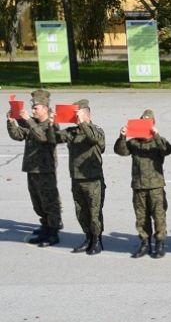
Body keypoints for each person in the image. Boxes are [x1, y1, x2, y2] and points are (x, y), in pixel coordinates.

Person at [114, 109, 171, 258]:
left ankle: (159, 244)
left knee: (159, 216)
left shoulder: (159, 141)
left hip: (155, 186)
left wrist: (156, 135)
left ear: (153, 123)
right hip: (139, 186)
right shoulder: (134, 142)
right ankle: (145, 243)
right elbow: (120, 151)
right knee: (141, 217)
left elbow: (167, 150)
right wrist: (122, 136)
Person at [6, 89, 62, 246]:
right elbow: (18, 135)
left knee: (50, 201)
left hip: (45, 170)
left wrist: (28, 121)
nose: (32, 111)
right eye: (32, 108)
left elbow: (43, 137)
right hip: (32, 168)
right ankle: (45, 226)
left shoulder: (52, 124)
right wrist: (11, 121)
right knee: (37, 201)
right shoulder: (34, 124)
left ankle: (53, 232)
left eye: (36, 108)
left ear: (45, 108)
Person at [54, 99, 106, 255]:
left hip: (93, 180)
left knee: (94, 212)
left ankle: (97, 240)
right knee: (81, 211)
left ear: (87, 114)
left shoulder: (97, 130)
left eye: (78, 114)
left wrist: (83, 123)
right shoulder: (72, 132)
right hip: (76, 179)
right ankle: (88, 238)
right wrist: (52, 122)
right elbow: (53, 138)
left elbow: (95, 141)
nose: (75, 118)